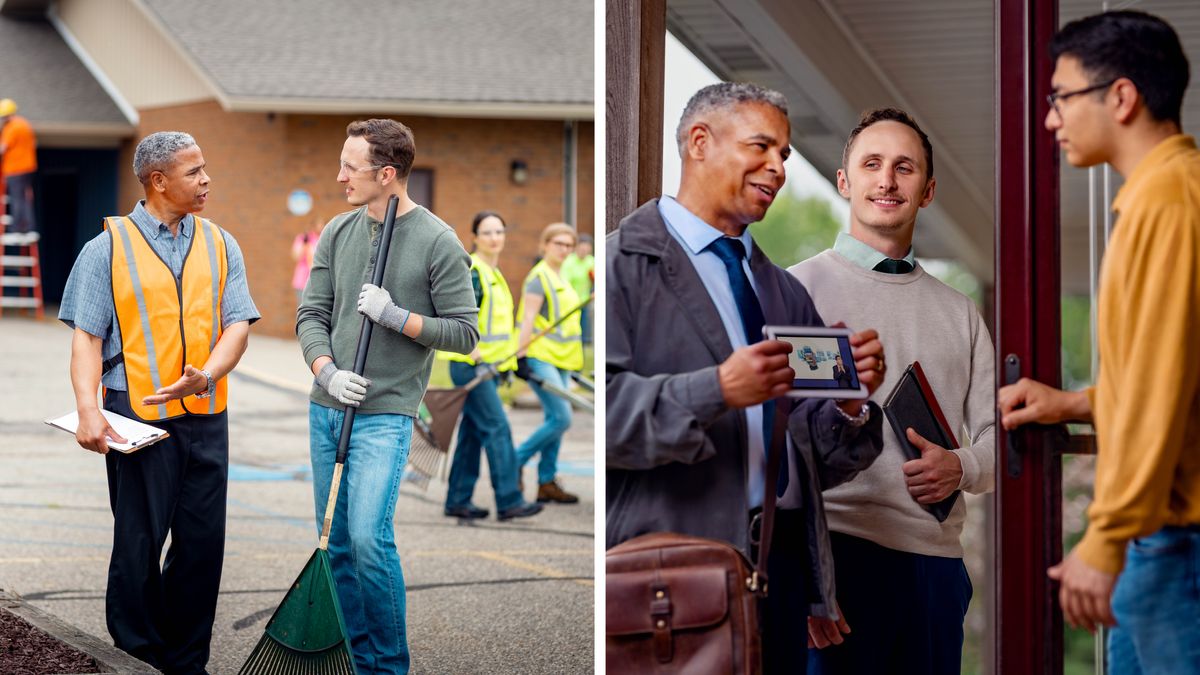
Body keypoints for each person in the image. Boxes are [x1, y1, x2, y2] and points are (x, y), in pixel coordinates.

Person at [607, 81, 888, 672]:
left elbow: (817, 455)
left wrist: (850, 407)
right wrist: (717, 389)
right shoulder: (618, 265)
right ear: (700, 143)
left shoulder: (781, 289)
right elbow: (603, 419)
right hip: (672, 564)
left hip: (778, 566)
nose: (777, 168)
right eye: (761, 147)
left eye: (784, 155)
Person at [997, 10, 1200, 672]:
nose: (1050, 118)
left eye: (1061, 97)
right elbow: (1168, 371)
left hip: (1178, 547)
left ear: (1121, 96)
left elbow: (1157, 393)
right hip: (1165, 543)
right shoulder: (1164, 194)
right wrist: (1072, 404)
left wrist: (1106, 536)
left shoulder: (1168, 202)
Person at [789, 108, 995, 675]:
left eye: (904, 168)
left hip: (936, 569)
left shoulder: (961, 314)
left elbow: (997, 438)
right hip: (833, 562)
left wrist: (962, 464)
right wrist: (802, 577)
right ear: (844, 181)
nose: (886, 180)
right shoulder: (796, 292)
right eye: (872, 164)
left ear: (926, 192)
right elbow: (773, 445)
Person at [59, 131, 259, 673]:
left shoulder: (221, 243)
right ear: (158, 181)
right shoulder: (107, 248)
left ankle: (186, 660)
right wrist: (87, 409)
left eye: (205, 168)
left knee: (201, 547)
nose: (206, 179)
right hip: (137, 415)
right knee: (138, 546)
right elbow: (87, 337)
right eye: (194, 172)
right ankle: (136, 657)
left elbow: (238, 322)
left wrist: (208, 374)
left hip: (206, 414)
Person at [296, 118, 478, 675]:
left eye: (350, 167)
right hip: (328, 409)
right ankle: (352, 658)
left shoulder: (437, 241)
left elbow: (465, 335)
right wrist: (325, 370)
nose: (340, 176)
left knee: (369, 540)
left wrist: (397, 317)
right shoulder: (337, 231)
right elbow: (312, 314)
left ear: (387, 173)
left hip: (386, 416)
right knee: (340, 546)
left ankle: (387, 666)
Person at [440, 211, 542, 521]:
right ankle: (510, 500)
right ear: (475, 238)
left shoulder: (494, 273)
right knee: (497, 427)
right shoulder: (474, 272)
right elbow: (461, 318)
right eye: (487, 233)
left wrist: (509, 362)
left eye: (499, 231)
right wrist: (477, 357)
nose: (494, 237)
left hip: (489, 368)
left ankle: (458, 499)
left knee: (473, 433)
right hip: (471, 367)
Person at [514, 223, 584, 504]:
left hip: (563, 359)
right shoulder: (539, 277)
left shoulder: (562, 276)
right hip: (541, 356)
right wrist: (521, 357)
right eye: (558, 244)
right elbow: (528, 318)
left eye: (568, 245)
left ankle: (546, 481)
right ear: (545, 245)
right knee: (562, 417)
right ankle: (514, 461)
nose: (564, 250)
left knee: (555, 420)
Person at [0, 98, 38, 236]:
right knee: (24, 197)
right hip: (28, 167)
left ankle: (17, 227)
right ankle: (28, 226)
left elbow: (3, 148)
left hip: (14, 168)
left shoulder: (10, 128)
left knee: (17, 198)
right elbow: (33, 144)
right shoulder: (24, 124)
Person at [560, 232, 594, 345]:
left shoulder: (591, 261)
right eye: (582, 247)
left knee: (583, 326)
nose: (584, 250)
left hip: (585, 301)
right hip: (570, 302)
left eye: (587, 247)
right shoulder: (569, 262)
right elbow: (564, 282)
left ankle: (582, 344)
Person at [290, 218, 322, 304]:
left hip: (316, 279)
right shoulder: (303, 238)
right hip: (302, 279)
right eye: (319, 224)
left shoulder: (322, 239)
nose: (321, 227)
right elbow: (295, 256)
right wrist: (304, 245)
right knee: (302, 305)